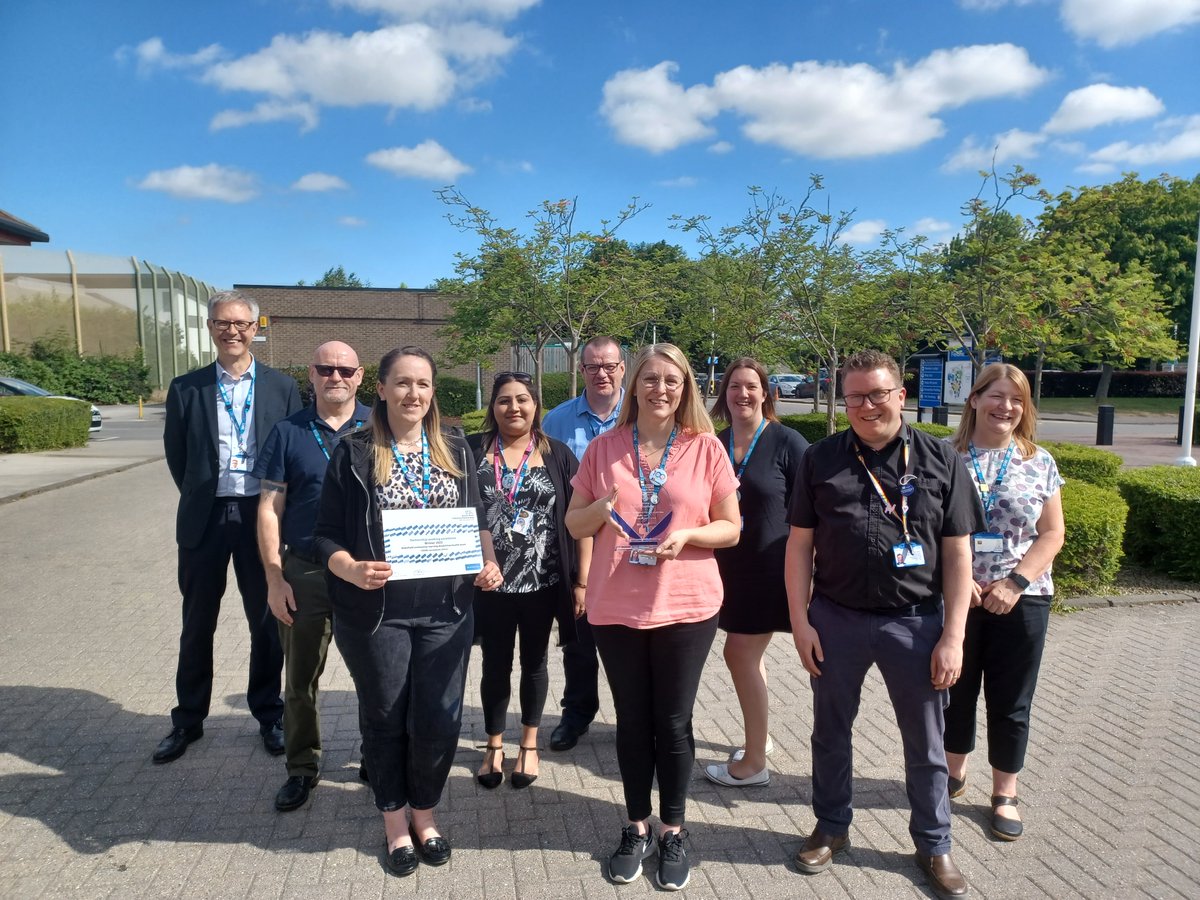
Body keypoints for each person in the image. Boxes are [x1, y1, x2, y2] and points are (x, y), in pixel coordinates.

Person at [784, 349, 984, 900]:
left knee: (926, 741)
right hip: (836, 619)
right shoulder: (820, 459)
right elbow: (799, 546)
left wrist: (953, 636)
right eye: (855, 396)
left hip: (915, 624)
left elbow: (958, 554)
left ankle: (934, 842)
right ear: (842, 399)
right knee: (829, 732)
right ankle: (831, 827)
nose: (866, 406)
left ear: (901, 395)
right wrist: (800, 622)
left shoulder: (941, 459)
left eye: (877, 394)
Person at [312, 346, 503, 878]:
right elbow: (323, 532)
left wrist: (487, 562)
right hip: (377, 614)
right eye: (402, 383)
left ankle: (426, 812)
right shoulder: (352, 452)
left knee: (438, 718)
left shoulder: (457, 449)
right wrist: (348, 567)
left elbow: (478, 518)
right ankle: (394, 820)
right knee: (386, 717)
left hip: (447, 611)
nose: (413, 393)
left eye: (422, 383)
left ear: (433, 391)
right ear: (382, 388)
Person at [565, 343, 739, 891]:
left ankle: (674, 829)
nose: (660, 389)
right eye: (650, 379)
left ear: (685, 387)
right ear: (632, 385)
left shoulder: (706, 448)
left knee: (673, 721)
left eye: (672, 380)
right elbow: (574, 524)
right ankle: (636, 826)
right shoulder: (604, 447)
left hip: (687, 606)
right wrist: (600, 510)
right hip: (615, 605)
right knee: (632, 719)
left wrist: (688, 534)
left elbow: (731, 527)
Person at [155, 290, 302, 764]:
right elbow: (178, 457)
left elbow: (291, 456)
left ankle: (269, 714)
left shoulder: (282, 387)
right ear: (211, 327)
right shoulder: (187, 387)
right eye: (222, 322)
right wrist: (203, 494)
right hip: (207, 519)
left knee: (267, 622)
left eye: (241, 323)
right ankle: (188, 720)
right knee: (197, 623)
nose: (232, 331)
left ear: (256, 328)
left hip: (262, 516)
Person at [943, 364, 1065, 842]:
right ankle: (952, 773)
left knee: (1012, 701)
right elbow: (923, 527)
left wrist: (1014, 582)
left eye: (1017, 400)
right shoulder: (944, 456)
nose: (1006, 407)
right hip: (959, 598)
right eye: (996, 396)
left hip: (1023, 599)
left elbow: (1051, 533)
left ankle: (1005, 793)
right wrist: (953, 580)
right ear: (974, 400)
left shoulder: (1040, 461)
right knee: (953, 690)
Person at [254, 341, 371, 811]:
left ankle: (375, 756)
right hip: (304, 571)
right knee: (300, 678)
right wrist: (274, 577)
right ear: (312, 373)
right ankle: (302, 766)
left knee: (376, 675)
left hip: (366, 574)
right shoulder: (287, 432)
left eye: (345, 369)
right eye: (326, 368)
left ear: (361, 376)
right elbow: (268, 508)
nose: (336, 377)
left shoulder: (379, 427)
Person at [467, 372, 591, 791]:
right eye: (504, 400)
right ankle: (494, 743)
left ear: (536, 405)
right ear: (493, 407)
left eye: (522, 399)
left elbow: (581, 521)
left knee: (535, 663)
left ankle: (530, 743)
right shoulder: (471, 451)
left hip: (543, 581)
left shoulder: (557, 455)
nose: (513, 408)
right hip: (489, 583)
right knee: (494, 665)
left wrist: (582, 582)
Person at [704, 358, 808, 788]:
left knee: (738, 654)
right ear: (724, 394)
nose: (742, 394)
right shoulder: (714, 441)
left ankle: (752, 765)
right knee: (750, 656)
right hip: (724, 567)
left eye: (751, 387)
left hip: (770, 569)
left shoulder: (789, 442)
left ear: (767, 393)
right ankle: (758, 740)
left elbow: (812, 510)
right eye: (734, 387)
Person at [541, 336, 625, 752]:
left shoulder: (642, 414)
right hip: (575, 542)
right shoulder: (555, 421)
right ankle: (577, 712)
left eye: (609, 365)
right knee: (578, 636)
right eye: (592, 366)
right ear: (582, 370)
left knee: (631, 640)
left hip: (633, 548)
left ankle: (633, 717)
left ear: (622, 368)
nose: (601, 373)